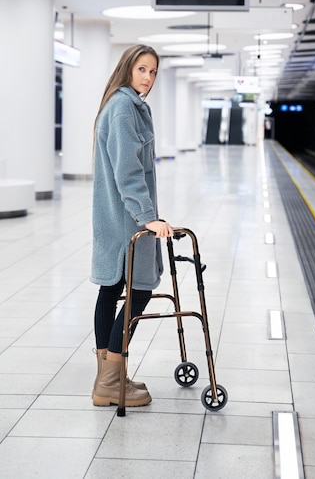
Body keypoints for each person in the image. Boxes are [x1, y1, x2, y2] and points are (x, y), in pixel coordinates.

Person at [90, 44, 173, 407]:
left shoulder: (125, 105)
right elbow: (128, 169)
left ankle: (109, 377)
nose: (148, 78)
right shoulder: (124, 107)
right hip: (127, 218)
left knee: (110, 289)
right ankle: (109, 380)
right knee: (138, 290)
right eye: (142, 69)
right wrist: (147, 217)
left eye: (153, 72)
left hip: (113, 213)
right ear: (127, 69)